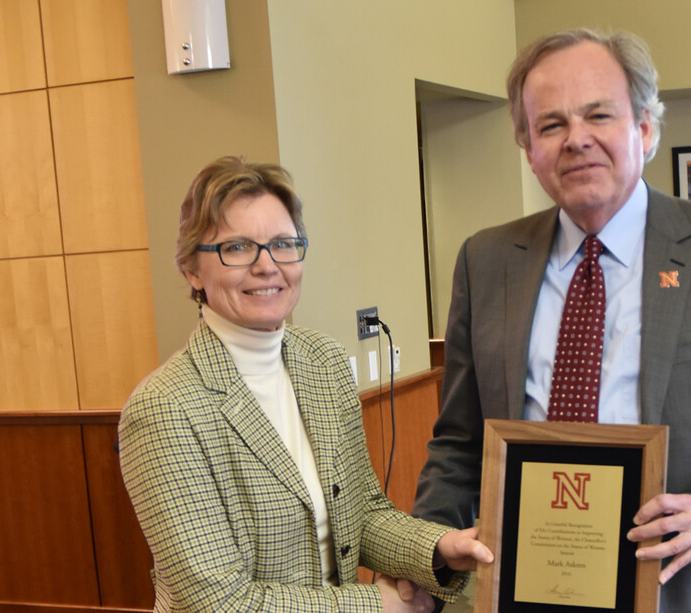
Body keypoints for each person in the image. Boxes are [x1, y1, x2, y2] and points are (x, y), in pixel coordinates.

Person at [412, 29, 691, 611]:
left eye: (598, 115)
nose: (576, 140)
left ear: (645, 128)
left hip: (686, 589)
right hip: (529, 588)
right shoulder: (485, 262)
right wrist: (424, 557)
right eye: (551, 125)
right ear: (528, 146)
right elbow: (460, 442)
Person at [119, 156, 492, 612]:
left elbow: (363, 514)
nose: (267, 265)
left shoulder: (324, 362)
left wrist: (437, 548)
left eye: (283, 244)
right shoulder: (164, 408)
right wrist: (380, 606)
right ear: (193, 270)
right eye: (237, 248)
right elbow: (217, 603)